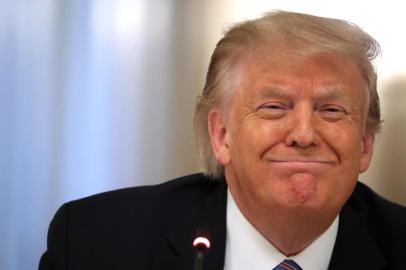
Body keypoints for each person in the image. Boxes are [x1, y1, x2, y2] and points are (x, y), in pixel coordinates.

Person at [39, 11, 406, 270]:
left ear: (365, 144)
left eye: (331, 111)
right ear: (222, 135)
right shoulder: (96, 242)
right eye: (274, 107)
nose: (304, 134)